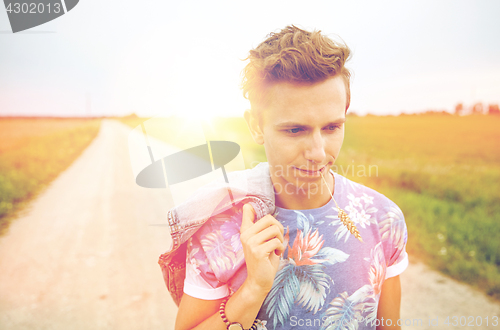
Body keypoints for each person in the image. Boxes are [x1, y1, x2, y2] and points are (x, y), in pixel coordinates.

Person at [173, 25, 408, 330]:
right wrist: (254, 289)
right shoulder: (219, 230)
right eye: (295, 130)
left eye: (332, 127)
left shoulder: (383, 217)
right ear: (256, 126)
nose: (318, 152)